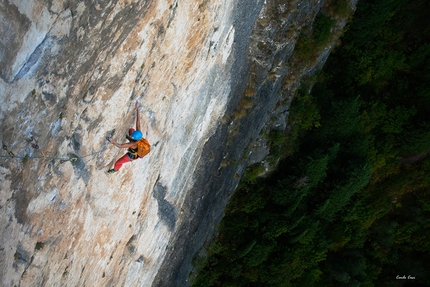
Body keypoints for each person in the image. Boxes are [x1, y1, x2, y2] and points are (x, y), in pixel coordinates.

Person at [107, 101, 150, 173]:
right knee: (131, 130)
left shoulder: (134, 144)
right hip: (137, 146)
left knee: (118, 162)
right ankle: (129, 137)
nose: (131, 135)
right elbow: (138, 122)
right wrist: (137, 108)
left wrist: (112, 141)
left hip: (131, 156)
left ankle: (115, 170)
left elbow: (120, 146)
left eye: (131, 137)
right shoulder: (139, 134)